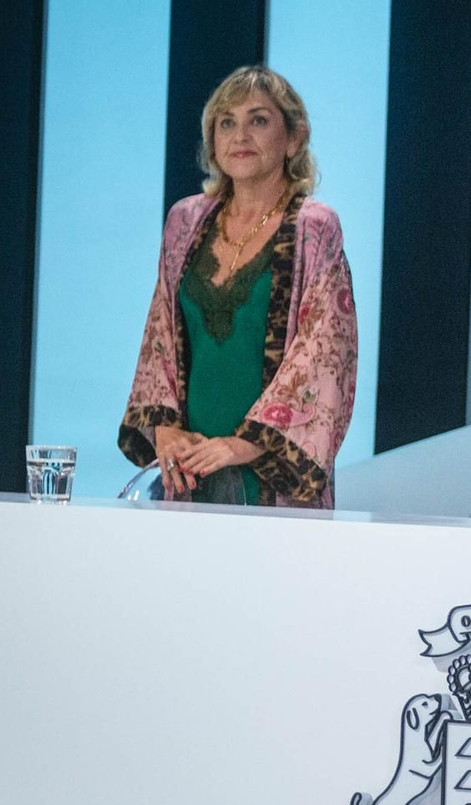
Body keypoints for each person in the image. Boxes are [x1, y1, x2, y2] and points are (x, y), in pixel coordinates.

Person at [119, 66, 358, 506]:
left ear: (294, 138)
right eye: (226, 122)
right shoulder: (185, 221)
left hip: (270, 477)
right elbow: (160, 336)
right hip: (189, 468)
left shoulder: (315, 228)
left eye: (259, 120)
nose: (240, 134)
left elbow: (325, 356)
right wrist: (165, 428)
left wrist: (243, 445)